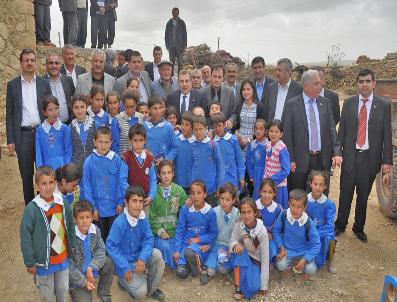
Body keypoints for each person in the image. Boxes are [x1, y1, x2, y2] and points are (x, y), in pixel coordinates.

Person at [335, 68, 392, 242]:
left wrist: (387, 162)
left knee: (363, 196)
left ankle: (358, 228)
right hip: (351, 157)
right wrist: (338, 152)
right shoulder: (349, 103)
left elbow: (387, 135)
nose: (364, 85)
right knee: (345, 194)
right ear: (357, 84)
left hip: (370, 158)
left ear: (374, 83)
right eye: (361, 81)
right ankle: (340, 225)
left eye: (368, 81)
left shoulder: (383, 105)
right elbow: (341, 132)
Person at [20, 166, 75, 302]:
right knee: (47, 295)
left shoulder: (61, 201)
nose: (48, 187)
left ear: (56, 183)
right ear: (36, 186)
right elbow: (25, 237)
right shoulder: (32, 209)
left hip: (62, 259)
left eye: (51, 182)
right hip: (44, 263)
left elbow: (70, 226)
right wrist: (30, 262)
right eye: (43, 183)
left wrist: (71, 247)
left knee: (62, 290)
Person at [282, 69, 342, 192]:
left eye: (319, 83)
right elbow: (287, 134)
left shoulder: (325, 103)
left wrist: (337, 152)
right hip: (299, 162)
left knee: (320, 197)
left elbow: (332, 130)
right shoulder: (292, 105)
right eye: (316, 83)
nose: (320, 86)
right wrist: (290, 159)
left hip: (322, 160)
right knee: (298, 196)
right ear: (306, 86)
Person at [6, 48, 52, 205]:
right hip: (23, 135)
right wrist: (11, 139)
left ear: (35, 62)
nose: (30, 63)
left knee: (44, 172)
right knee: (26, 175)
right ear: (21, 63)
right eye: (26, 60)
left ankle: (45, 204)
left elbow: (49, 108)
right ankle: (30, 207)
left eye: (32, 60)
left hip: (41, 133)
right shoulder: (12, 85)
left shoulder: (44, 83)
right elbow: (10, 114)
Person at [106, 185, 166, 301]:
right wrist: (124, 267)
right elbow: (111, 247)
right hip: (125, 263)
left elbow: (149, 238)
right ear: (126, 202)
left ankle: (151, 289)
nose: (138, 205)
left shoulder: (143, 218)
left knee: (157, 255)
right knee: (140, 293)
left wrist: (142, 258)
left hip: (139, 258)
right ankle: (124, 281)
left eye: (140, 201)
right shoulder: (119, 223)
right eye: (134, 201)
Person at [81, 126, 129, 241]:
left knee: (113, 238)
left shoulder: (117, 159)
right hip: (98, 211)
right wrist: (93, 207)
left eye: (106, 142)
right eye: (100, 142)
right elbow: (86, 187)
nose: (103, 145)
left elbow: (120, 182)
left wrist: (120, 201)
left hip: (114, 208)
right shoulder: (89, 161)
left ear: (111, 143)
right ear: (94, 142)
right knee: (99, 239)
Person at [69, 200, 114, 302]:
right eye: (81, 217)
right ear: (75, 219)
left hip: (91, 268)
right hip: (78, 275)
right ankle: (73, 290)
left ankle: (103, 292)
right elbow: (69, 266)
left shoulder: (95, 230)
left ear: (93, 217)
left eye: (88, 217)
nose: (85, 221)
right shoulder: (71, 237)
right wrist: (83, 282)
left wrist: (91, 267)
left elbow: (101, 250)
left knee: (109, 262)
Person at [174, 180, 218, 281]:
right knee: (181, 273)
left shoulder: (210, 212)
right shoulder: (185, 209)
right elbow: (180, 230)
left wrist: (198, 239)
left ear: (205, 194)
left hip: (200, 246)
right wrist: (177, 250)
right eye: (193, 193)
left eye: (199, 193)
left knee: (189, 253)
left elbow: (213, 233)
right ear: (189, 194)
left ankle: (199, 267)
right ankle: (189, 264)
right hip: (186, 244)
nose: (196, 196)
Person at [273, 189, 321, 279]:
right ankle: (290, 265)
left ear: (304, 207)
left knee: (311, 269)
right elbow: (276, 231)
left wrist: (305, 259)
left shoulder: (308, 222)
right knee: (280, 266)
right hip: (288, 250)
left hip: (304, 251)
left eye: (299, 207)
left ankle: (301, 264)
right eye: (293, 205)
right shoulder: (284, 215)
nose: (295, 210)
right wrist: (281, 248)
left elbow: (316, 244)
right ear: (288, 203)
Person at [149, 160, 188, 269]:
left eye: (169, 173)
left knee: (179, 246)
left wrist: (190, 201)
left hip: (176, 231)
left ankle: (179, 263)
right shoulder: (154, 192)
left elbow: (187, 206)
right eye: (163, 173)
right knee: (164, 246)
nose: (166, 176)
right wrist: (160, 232)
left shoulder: (178, 190)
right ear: (158, 175)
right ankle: (176, 265)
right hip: (160, 233)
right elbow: (151, 218)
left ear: (173, 174)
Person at [229, 197, 269, 300]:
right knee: (240, 252)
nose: (246, 216)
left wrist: (264, 285)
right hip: (242, 256)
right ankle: (238, 286)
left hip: (255, 260)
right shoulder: (238, 225)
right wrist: (235, 245)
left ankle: (246, 278)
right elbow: (232, 240)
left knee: (254, 287)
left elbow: (265, 258)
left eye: (249, 212)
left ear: (255, 213)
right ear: (240, 213)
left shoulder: (262, 231)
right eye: (243, 212)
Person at [201, 183, 239, 285]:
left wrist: (232, 248)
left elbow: (238, 235)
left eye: (228, 200)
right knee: (211, 271)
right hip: (215, 244)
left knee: (223, 269)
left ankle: (215, 263)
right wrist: (209, 244)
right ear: (219, 197)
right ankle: (209, 266)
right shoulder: (214, 212)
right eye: (222, 198)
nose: (224, 202)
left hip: (229, 247)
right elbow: (210, 231)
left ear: (233, 200)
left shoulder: (238, 214)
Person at [306, 170, 337, 273]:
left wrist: (316, 234)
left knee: (331, 238)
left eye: (321, 185)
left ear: (325, 186)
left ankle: (330, 260)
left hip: (323, 233)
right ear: (310, 184)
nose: (318, 187)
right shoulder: (305, 201)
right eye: (315, 184)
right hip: (308, 232)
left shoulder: (329, 204)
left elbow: (329, 225)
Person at [191, 115, 225, 207]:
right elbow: (191, 167)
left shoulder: (213, 145)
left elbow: (221, 167)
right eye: (195, 129)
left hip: (211, 191)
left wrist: (219, 187)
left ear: (206, 128)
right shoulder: (192, 145)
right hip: (196, 191)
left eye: (201, 129)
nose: (198, 132)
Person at [122, 124, 157, 211]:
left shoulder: (149, 159)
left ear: (145, 140)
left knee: (143, 222)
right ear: (130, 141)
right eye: (135, 140)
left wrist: (151, 196)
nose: (138, 144)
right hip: (130, 200)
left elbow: (152, 179)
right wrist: (131, 196)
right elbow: (122, 180)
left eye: (141, 140)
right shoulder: (126, 157)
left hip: (145, 200)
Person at [35, 95, 73, 170]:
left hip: (63, 168)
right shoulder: (40, 130)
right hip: (47, 170)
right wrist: (40, 169)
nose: (54, 112)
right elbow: (38, 152)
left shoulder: (65, 128)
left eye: (56, 108)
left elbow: (69, 150)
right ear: (44, 112)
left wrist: (66, 168)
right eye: (50, 110)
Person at [211, 112, 245, 191]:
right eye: (215, 126)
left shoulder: (233, 140)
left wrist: (241, 177)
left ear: (224, 124)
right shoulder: (212, 142)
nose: (218, 129)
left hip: (233, 181)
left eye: (219, 125)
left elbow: (240, 161)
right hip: (218, 184)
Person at [234, 79, 266, 152]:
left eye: (248, 89)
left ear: (253, 90)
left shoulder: (259, 106)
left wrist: (248, 140)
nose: (246, 92)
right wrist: (236, 132)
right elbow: (238, 124)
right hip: (239, 142)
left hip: (254, 142)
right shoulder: (239, 105)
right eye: (244, 89)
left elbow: (262, 128)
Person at [264, 120, 290, 209]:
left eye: (276, 132)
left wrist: (271, 180)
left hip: (278, 186)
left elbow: (286, 171)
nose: (273, 134)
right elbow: (266, 164)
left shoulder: (282, 149)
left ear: (281, 134)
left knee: (278, 210)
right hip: (267, 185)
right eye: (271, 131)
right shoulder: (267, 145)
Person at [255, 179, 283, 263]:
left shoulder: (277, 208)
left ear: (274, 193)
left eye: (270, 192)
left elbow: (280, 227)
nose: (267, 195)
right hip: (257, 237)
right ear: (260, 192)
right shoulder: (254, 206)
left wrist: (272, 235)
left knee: (272, 246)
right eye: (264, 191)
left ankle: (271, 260)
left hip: (272, 238)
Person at [144, 96, 178, 163]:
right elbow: (141, 147)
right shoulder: (143, 126)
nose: (158, 111)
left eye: (160, 108)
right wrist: (145, 152)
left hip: (164, 167)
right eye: (155, 108)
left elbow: (175, 148)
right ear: (149, 109)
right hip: (148, 165)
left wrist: (166, 159)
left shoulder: (168, 127)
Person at [70, 94, 100, 168]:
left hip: (94, 164)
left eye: (82, 107)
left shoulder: (96, 124)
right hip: (76, 167)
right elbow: (69, 150)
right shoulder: (69, 128)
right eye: (76, 107)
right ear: (72, 109)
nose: (79, 110)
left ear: (86, 107)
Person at [111, 89, 144, 154]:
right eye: (126, 107)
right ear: (123, 104)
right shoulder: (116, 120)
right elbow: (115, 145)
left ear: (136, 104)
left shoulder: (141, 118)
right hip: (123, 159)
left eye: (132, 107)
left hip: (139, 159)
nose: (129, 110)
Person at [45, 54, 75, 123]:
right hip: (50, 125)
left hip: (68, 123)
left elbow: (72, 99)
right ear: (46, 65)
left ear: (60, 65)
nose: (54, 66)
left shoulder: (68, 80)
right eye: (51, 63)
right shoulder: (41, 82)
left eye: (56, 63)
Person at [246, 119, 268, 200]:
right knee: (257, 194)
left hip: (266, 174)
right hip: (256, 174)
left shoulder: (268, 145)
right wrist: (252, 176)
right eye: (256, 128)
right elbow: (248, 161)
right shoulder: (251, 145)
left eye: (261, 129)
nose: (258, 131)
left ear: (266, 131)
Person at [174, 111, 195, 192]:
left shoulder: (196, 143)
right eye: (182, 124)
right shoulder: (176, 140)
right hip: (177, 182)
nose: (183, 127)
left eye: (187, 125)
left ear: (192, 127)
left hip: (191, 184)